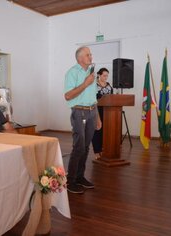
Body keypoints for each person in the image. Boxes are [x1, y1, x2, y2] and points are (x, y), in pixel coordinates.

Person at [64, 46, 101, 194]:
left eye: (90, 55)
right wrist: (85, 83)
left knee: (86, 147)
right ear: (80, 58)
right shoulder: (72, 73)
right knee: (79, 147)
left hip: (92, 112)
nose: (91, 57)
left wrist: (97, 117)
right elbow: (68, 96)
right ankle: (70, 180)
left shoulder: (92, 73)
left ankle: (80, 177)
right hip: (79, 112)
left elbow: (93, 98)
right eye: (87, 55)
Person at [92, 68, 113, 160]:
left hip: (108, 111)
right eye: (104, 75)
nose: (106, 77)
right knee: (97, 131)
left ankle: (102, 149)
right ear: (99, 75)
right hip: (97, 110)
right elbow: (93, 99)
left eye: (107, 75)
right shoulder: (94, 85)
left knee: (105, 131)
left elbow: (112, 98)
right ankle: (96, 151)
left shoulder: (109, 86)